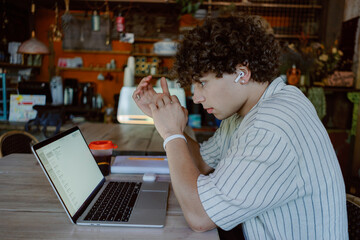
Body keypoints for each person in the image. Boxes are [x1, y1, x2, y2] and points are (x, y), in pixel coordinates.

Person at [132, 15, 348, 239]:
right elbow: (204, 163)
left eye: (202, 83)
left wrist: (172, 134)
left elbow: (200, 217)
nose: (195, 97)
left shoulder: (269, 127)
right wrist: (164, 118)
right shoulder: (251, 108)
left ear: (242, 74)